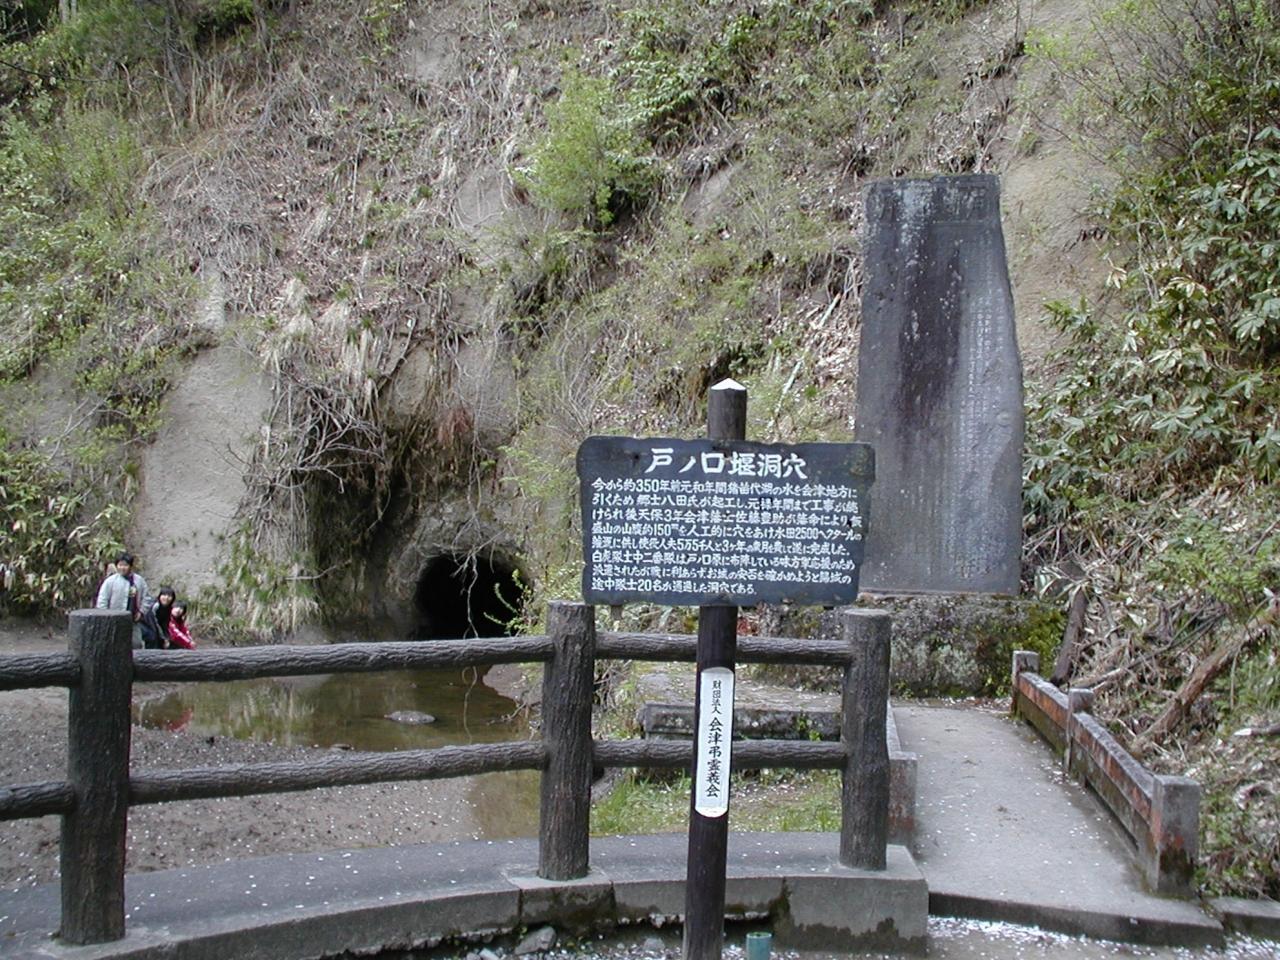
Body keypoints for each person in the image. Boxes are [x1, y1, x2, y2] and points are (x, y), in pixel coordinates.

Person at [95, 552, 152, 650]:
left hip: (133, 620)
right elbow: (102, 601)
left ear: (130, 566)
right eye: (120, 565)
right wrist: (106, 616)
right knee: (114, 645)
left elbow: (146, 598)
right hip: (114, 620)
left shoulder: (139, 581)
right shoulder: (110, 581)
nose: (122, 568)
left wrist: (141, 612)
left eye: (125, 565)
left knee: (136, 644)